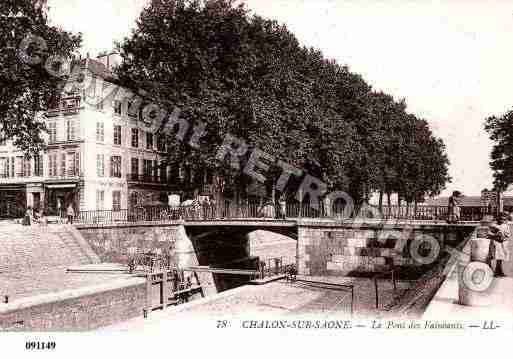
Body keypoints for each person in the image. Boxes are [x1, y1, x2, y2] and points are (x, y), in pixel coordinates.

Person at [488, 212, 511, 277]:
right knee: (497, 257)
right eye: (501, 219)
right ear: (498, 218)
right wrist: (496, 235)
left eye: (504, 219)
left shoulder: (506, 226)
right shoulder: (494, 225)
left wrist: (504, 236)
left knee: (501, 258)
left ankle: (500, 271)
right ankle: (496, 272)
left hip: (503, 243)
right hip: (496, 243)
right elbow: (489, 233)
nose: (502, 220)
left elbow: (508, 234)